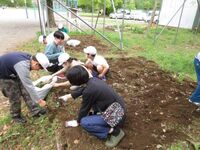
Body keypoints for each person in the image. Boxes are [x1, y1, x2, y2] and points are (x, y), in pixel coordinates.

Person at [65, 65, 126, 147]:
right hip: (120, 108)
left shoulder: (89, 91)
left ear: (76, 82)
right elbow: (82, 89)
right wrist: (70, 96)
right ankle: (102, 118)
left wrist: (78, 121)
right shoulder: (93, 80)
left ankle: (115, 132)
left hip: (116, 115)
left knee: (85, 122)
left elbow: (84, 109)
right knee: (92, 110)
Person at [0, 52, 50, 123]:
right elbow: (29, 86)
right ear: (36, 63)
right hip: (3, 75)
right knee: (15, 96)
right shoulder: (22, 66)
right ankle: (16, 116)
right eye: (40, 68)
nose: (39, 70)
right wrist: (39, 100)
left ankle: (34, 111)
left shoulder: (29, 59)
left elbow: (28, 87)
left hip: (12, 71)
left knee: (26, 91)